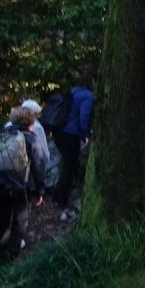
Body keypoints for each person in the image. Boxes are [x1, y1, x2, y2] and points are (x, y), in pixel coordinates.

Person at [0, 105, 49, 265]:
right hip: (19, 188)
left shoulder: (1, 136)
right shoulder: (31, 138)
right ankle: (11, 261)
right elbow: (39, 165)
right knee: (18, 223)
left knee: (3, 222)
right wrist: (40, 191)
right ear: (31, 121)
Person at [52, 70, 94, 213]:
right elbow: (84, 116)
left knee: (70, 164)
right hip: (71, 134)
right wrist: (86, 134)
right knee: (69, 167)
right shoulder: (88, 96)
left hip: (59, 132)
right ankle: (60, 199)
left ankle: (62, 194)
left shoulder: (72, 91)